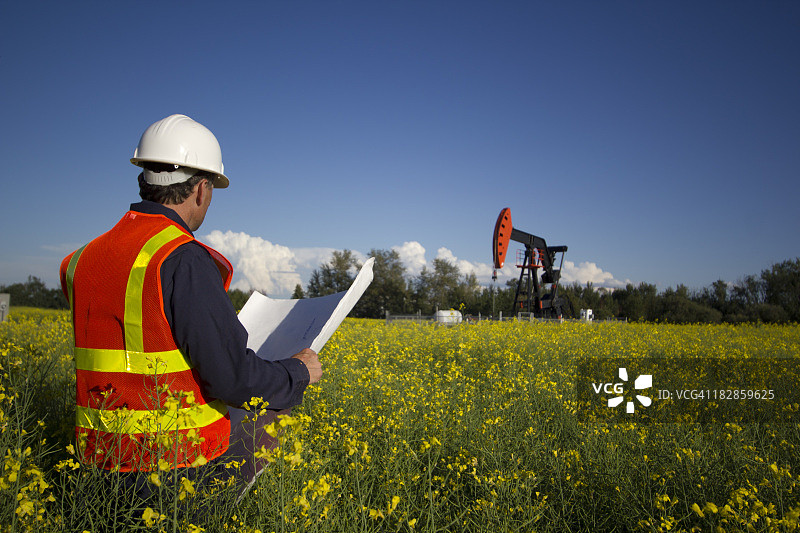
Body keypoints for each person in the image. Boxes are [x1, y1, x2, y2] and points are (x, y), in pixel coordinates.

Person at [59, 114, 322, 501]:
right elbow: (231, 380)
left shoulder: (80, 259)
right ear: (201, 189)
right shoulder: (182, 258)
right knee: (268, 422)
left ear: (143, 180)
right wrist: (298, 373)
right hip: (173, 471)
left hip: (95, 462)